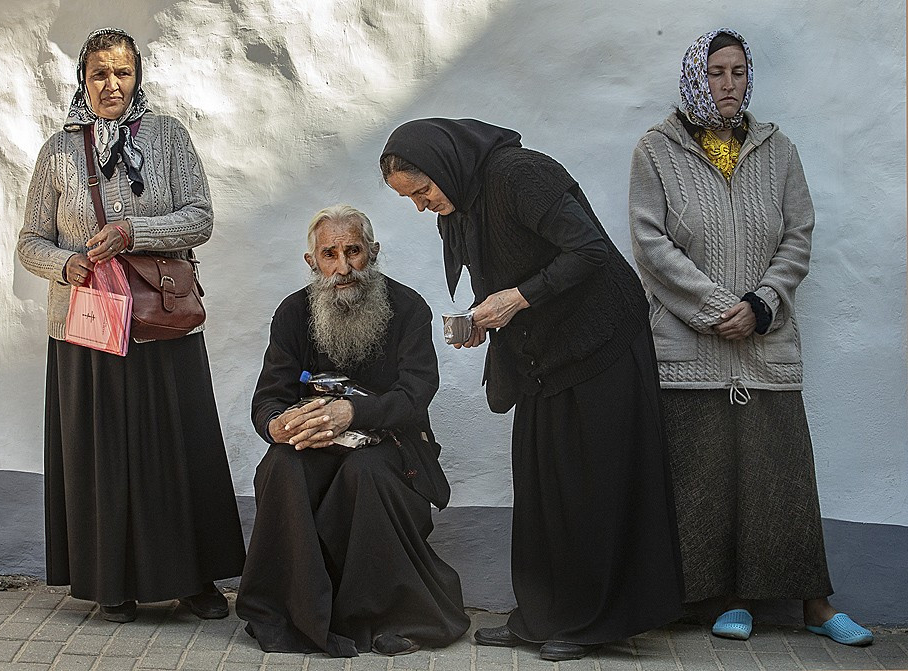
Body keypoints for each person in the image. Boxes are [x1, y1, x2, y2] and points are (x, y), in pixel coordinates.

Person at [380, 119, 684, 661]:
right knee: (543, 488)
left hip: (601, 346)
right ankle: (542, 617)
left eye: (423, 192)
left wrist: (517, 298)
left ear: (446, 166)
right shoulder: (464, 200)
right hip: (545, 357)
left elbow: (591, 251)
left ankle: (592, 623)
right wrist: (484, 319)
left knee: (591, 489)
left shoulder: (520, 175)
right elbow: (498, 269)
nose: (422, 206)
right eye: (412, 199)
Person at [628, 28, 873, 646]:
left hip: (765, 344)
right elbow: (650, 245)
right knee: (708, 479)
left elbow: (798, 235)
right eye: (716, 72)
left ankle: (816, 605)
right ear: (694, 78)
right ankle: (727, 599)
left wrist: (761, 306)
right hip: (692, 348)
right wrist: (715, 307)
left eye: (738, 72)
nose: (729, 84)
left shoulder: (777, 150)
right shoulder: (656, 151)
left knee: (783, 474)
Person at [16, 27, 245, 623]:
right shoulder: (58, 151)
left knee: (173, 450)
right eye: (98, 73)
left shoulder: (168, 136)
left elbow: (200, 216)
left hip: (159, 323)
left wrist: (132, 234)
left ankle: (192, 581)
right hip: (86, 327)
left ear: (137, 76)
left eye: (121, 72)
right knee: (102, 456)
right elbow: (30, 242)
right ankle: (109, 585)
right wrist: (67, 263)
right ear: (83, 80)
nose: (110, 85)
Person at [236, 205, 469, 657]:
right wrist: (278, 425)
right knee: (281, 466)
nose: (343, 268)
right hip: (317, 445)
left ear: (373, 253)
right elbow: (268, 396)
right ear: (312, 263)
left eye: (353, 251)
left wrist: (353, 414)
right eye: (330, 255)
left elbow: (416, 393)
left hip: (391, 443)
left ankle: (385, 615)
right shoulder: (293, 313)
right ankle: (293, 612)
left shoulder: (407, 307)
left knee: (364, 473)